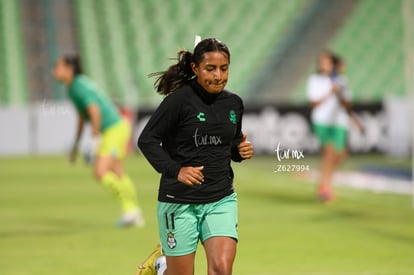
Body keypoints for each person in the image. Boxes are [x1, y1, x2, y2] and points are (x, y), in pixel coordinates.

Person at [136, 38, 254, 275]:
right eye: (210, 69)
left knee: (221, 269)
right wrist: (176, 170)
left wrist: (239, 152)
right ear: (195, 68)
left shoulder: (234, 104)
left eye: (224, 68)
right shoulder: (178, 101)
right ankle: (162, 267)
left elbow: (228, 145)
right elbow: (146, 140)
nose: (218, 75)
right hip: (178, 201)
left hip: (220, 199)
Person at [52, 54, 144, 227]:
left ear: (69, 69)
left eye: (57, 67)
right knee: (117, 172)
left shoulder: (78, 86)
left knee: (100, 171)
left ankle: (131, 211)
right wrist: (76, 145)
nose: (54, 71)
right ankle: (133, 212)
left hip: (113, 130)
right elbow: (82, 117)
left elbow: (95, 112)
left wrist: (95, 137)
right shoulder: (74, 87)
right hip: (116, 127)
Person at [306, 50, 354, 203]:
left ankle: (325, 181)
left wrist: (340, 93)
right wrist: (330, 92)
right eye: (321, 62)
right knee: (329, 151)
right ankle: (326, 188)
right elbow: (313, 103)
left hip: (339, 122)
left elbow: (347, 104)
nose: (323, 65)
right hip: (322, 121)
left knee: (341, 154)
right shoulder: (315, 80)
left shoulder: (341, 81)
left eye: (326, 62)